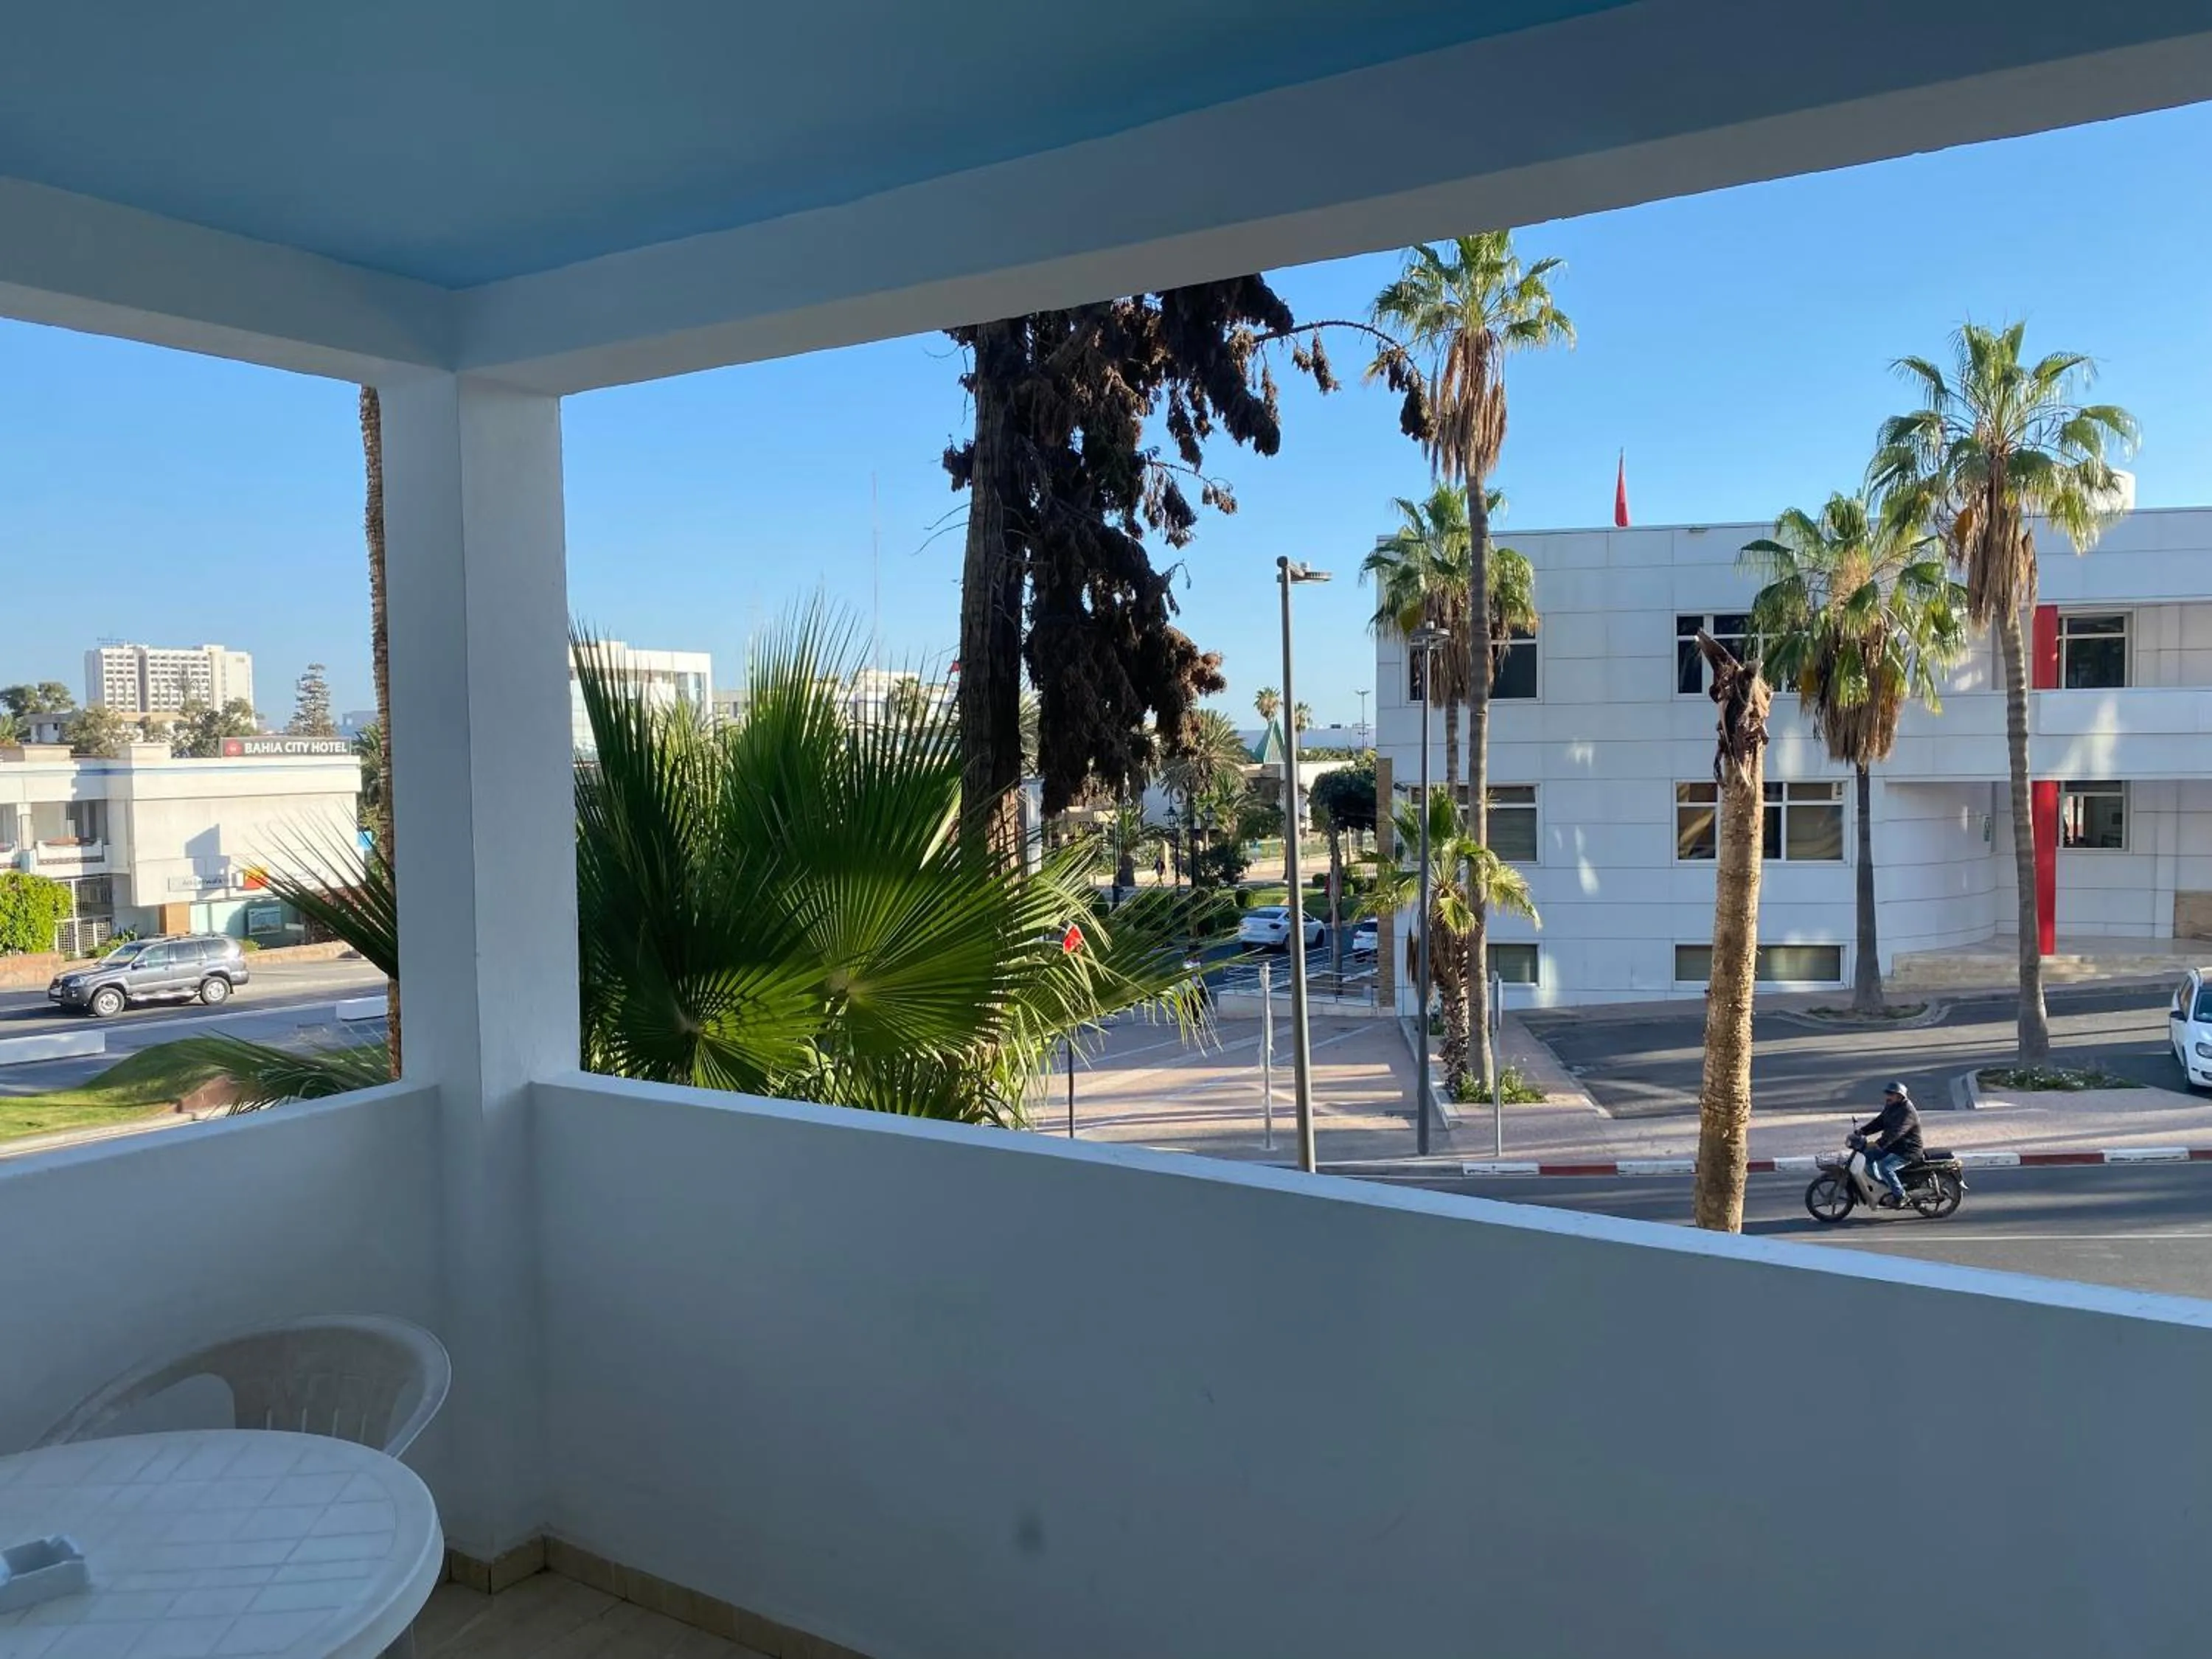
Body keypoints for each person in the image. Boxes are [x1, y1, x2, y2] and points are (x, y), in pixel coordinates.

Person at [1856, 1081, 1923, 1206]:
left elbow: (1896, 1133)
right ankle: (1886, 1186)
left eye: (1891, 1094)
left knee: (1885, 1168)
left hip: (1908, 1150)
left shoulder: (1908, 1112)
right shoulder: (1891, 1106)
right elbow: (1880, 1121)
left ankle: (1901, 1196)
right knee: (1867, 1156)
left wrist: (1879, 1144)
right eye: (1887, 1093)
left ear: (1900, 1096)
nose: (1888, 1096)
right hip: (1894, 1146)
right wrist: (1863, 1131)